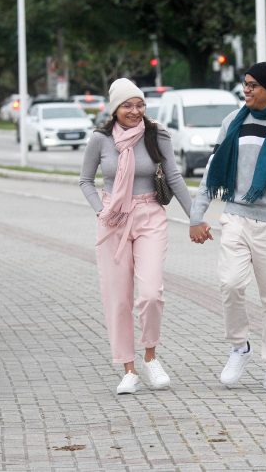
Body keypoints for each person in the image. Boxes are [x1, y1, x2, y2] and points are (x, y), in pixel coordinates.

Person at [189, 62, 266, 393]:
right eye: (244, 84)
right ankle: (239, 347)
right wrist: (196, 215)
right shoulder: (233, 122)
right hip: (237, 216)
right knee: (230, 284)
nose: (245, 90)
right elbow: (210, 173)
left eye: (252, 85)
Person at [79, 78, 192, 395]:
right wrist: (100, 210)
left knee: (151, 293)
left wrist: (195, 216)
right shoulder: (100, 140)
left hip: (149, 215)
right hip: (113, 220)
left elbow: (173, 177)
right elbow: (85, 181)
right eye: (127, 105)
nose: (135, 110)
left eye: (140, 104)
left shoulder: (157, 134)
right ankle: (128, 368)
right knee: (118, 298)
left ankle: (151, 356)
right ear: (115, 108)